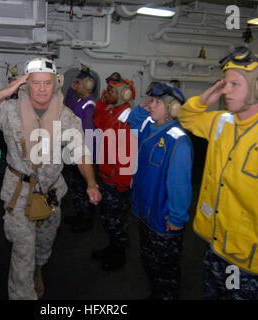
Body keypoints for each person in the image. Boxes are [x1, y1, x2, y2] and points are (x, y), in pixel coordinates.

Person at [0, 57, 101, 300]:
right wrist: (2, 93)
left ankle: (38, 269)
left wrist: (91, 183)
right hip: (19, 191)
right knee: (23, 251)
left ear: (55, 84)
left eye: (46, 83)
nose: (41, 88)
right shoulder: (9, 109)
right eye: (35, 83)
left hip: (51, 193)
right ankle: (22, 292)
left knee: (43, 245)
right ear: (26, 85)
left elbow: (80, 152)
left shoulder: (66, 116)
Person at [178, 46, 258, 299]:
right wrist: (204, 100)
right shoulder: (221, 121)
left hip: (252, 264)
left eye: (234, 84)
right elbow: (186, 118)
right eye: (224, 84)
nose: (225, 91)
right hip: (217, 246)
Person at [127, 81, 192, 300]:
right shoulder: (148, 125)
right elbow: (132, 122)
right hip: (145, 212)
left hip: (163, 220)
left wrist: (177, 217)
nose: (151, 105)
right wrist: (142, 106)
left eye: (157, 102)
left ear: (173, 108)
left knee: (166, 271)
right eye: (151, 101)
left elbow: (179, 185)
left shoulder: (178, 141)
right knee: (150, 262)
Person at [92, 72, 136, 271]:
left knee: (117, 220)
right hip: (105, 177)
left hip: (116, 181)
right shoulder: (112, 112)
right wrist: (102, 101)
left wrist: (122, 184)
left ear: (124, 94)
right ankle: (112, 247)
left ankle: (119, 255)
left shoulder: (128, 117)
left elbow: (129, 153)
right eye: (107, 89)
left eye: (111, 90)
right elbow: (98, 121)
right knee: (107, 217)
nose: (106, 92)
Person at [63, 66, 97, 233]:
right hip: (74, 151)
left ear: (88, 84)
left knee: (83, 187)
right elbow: (67, 104)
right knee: (76, 187)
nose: (76, 84)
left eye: (79, 82)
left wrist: (86, 156)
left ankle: (86, 219)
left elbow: (89, 134)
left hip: (83, 153)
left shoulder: (89, 105)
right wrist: (71, 88)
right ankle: (80, 213)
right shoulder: (79, 101)